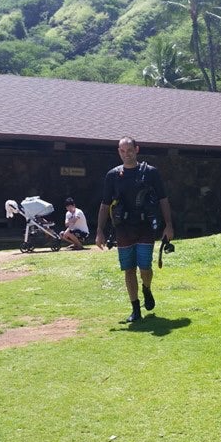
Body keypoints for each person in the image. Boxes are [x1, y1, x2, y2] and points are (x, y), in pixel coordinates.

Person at [95, 137, 175, 324]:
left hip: (145, 226)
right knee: (128, 269)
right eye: (122, 151)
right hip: (123, 229)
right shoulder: (113, 176)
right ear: (119, 152)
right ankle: (135, 308)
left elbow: (163, 199)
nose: (126, 154)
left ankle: (146, 288)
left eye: (129, 150)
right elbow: (105, 204)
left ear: (136, 149)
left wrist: (168, 225)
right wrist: (99, 230)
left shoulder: (151, 173)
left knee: (145, 267)